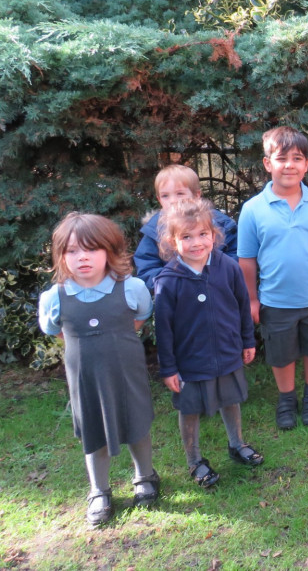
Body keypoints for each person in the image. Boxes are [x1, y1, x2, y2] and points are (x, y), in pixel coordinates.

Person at [37, 213, 158, 527]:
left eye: (91, 249)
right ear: (61, 256)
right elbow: (55, 330)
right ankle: (99, 491)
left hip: (126, 370)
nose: (82, 257)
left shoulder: (132, 288)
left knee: (136, 421)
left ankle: (145, 475)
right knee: (93, 429)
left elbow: (139, 317)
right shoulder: (55, 298)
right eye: (72, 251)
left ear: (110, 251)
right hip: (85, 376)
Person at [238, 126, 308, 429]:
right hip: (276, 301)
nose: (290, 165)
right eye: (282, 158)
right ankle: (287, 398)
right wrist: (251, 300)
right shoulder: (252, 210)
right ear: (267, 164)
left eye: (297, 158)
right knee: (281, 353)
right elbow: (246, 260)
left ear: (307, 164)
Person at [154, 199, 262, 489]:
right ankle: (195, 461)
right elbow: (162, 330)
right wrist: (169, 368)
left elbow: (242, 306)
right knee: (189, 410)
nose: (196, 243)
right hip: (190, 361)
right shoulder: (168, 281)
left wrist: (247, 339)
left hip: (228, 352)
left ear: (213, 234)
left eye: (202, 234)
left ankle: (236, 444)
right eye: (186, 237)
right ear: (172, 241)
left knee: (231, 400)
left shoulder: (228, 267)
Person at [134, 164, 238, 290]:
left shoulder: (220, 224)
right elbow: (147, 268)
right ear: (159, 199)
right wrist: (171, 284)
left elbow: (236, 255)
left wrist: (219, 277)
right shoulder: (154, 230)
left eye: (180, 193)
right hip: (178, 297)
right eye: (165, 196)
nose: (172, 200)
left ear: (196, 195)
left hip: (217, 291)